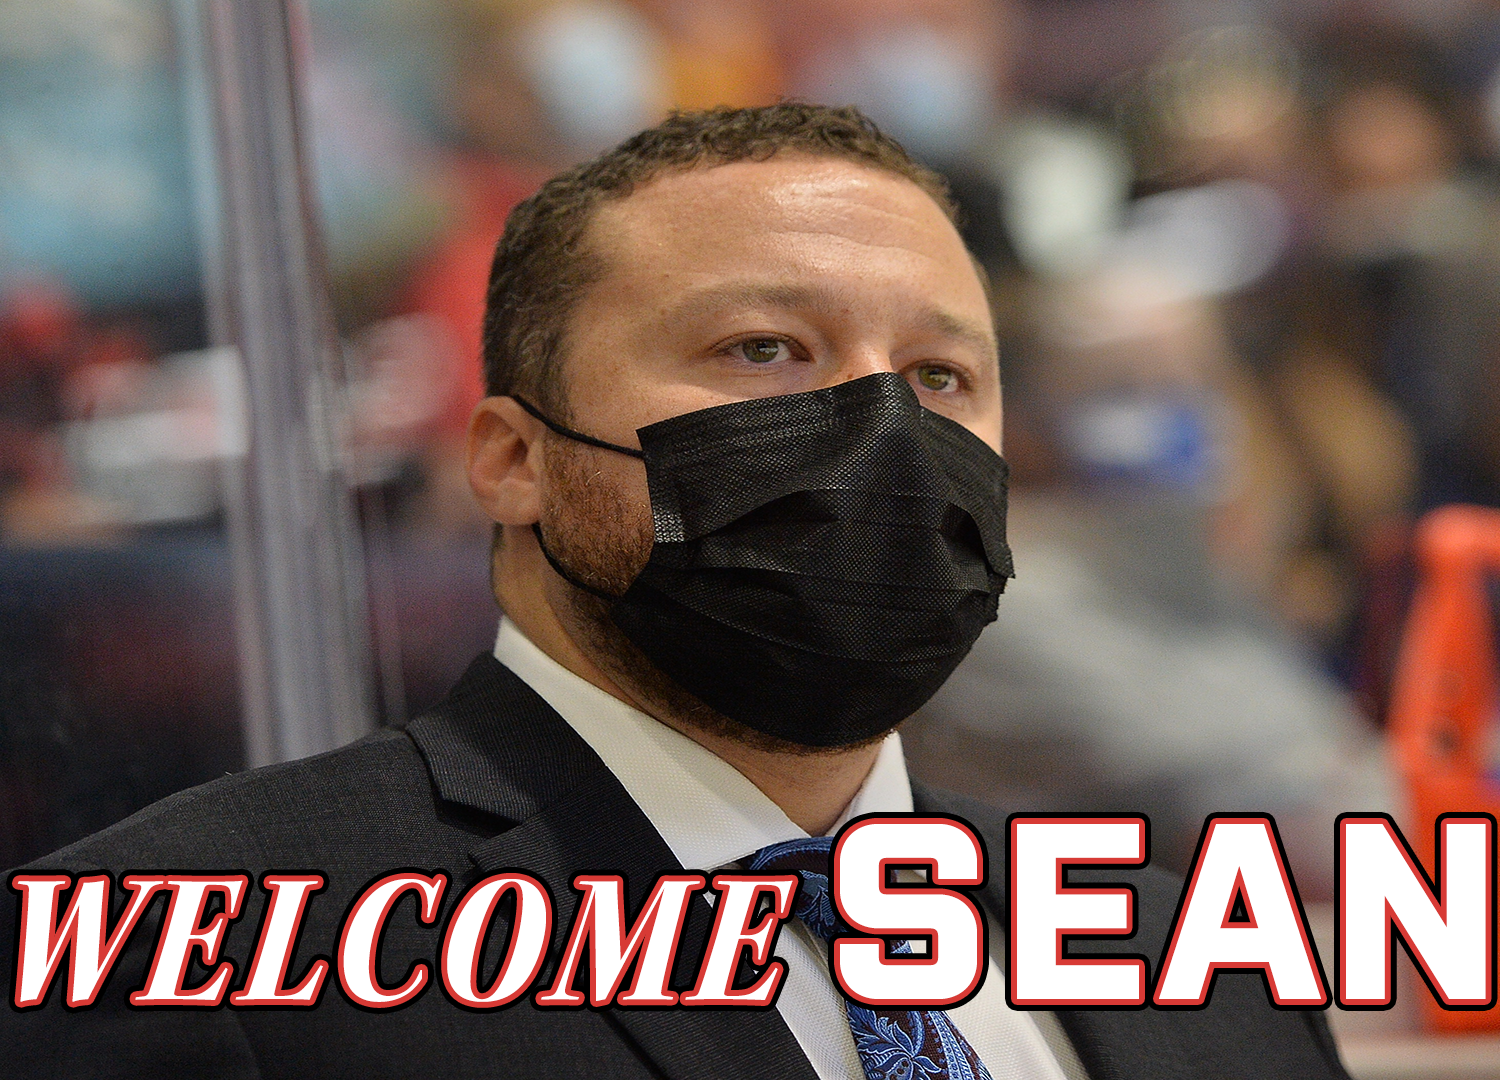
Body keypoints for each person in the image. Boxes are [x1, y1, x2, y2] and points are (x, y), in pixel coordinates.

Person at [1, 105, 1348, 1079]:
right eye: (764, 349)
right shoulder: (188, 951)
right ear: (514, 458)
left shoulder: (1194, 951)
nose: (883, 434)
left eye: (940, 378)